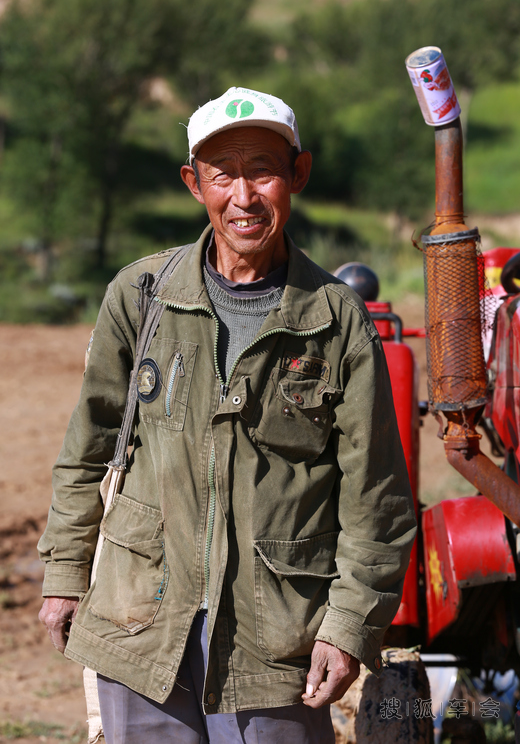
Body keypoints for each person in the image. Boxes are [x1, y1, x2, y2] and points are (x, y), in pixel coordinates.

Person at [38, 86, 417, 744]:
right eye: (223, 175)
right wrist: (66, 573)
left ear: (297, 174)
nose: (244, 197)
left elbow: (376, 497)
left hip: (275, 643)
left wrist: (349, 626)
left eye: (262, 171)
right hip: (141, 621)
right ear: (194, 183)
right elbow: (87, 449)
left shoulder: (337, 320)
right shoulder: (141, 296)